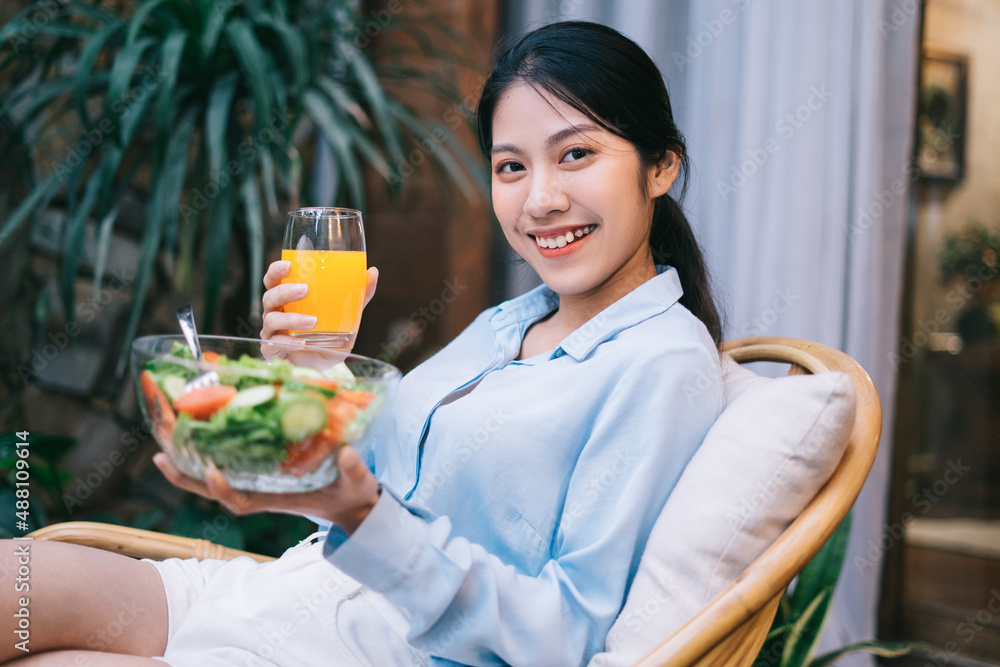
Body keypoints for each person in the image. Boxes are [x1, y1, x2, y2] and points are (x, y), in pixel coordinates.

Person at [1, 21, 725, 667]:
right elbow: (363, 485)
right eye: (512, 166)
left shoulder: (663, 364)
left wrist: (361, 516)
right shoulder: (513, 322)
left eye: (575, 155)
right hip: (280, 590)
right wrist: (313, 376)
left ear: (659, 165)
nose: (540, 199)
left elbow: (564, 637)